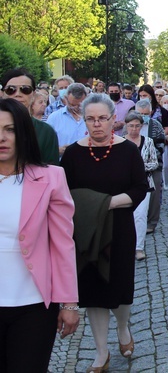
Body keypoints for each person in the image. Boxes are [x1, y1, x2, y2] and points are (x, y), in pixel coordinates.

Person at [61, 93, 148, 372]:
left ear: (114, 120)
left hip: (119, 228)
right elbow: (63, 194)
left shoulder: (127, 150)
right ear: (84, 120)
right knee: (93, 291)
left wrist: (106, 203)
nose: (96, 124)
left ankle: (123, 328)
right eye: (91, 119)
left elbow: (139, 189)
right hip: (86, 232)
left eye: (102, 118)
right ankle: (101, 353)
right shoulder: (74, 153)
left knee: (119, 289)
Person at [0, 98, 79, 372]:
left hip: (33, 305)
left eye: (10, 129)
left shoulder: (51, 178)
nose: (2, 138)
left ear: (23, 133)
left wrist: (69, 303)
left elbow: (62, 244)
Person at [0, 68, 60, 165]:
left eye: (25, 89)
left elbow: (51, 172)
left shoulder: (46, 132)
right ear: (2, 93)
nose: (18, 94)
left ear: (33, 94)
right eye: (11, 90)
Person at [123, 112, 158, 261]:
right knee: (126, 216)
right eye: (131, 126)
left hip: (144, 183)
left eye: (137, 126)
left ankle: (139, 247)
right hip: (124, 185)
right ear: (126, 126)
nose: (134, 129)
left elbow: (154, 162)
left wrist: (137, 168)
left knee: (140, 215)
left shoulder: (148, 141)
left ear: (141, 126)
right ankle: (125, 246)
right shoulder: (120, 142)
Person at [134, 100, 165, 235]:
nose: (143, 116)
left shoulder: (156, 125)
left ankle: (152, 222)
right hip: (134, 166)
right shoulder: (131, 125)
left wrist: (148, 158)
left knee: (154, 195)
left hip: (153, 165)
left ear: (151, 112)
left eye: (146, 114)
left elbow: (161, 146)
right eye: (140, 113)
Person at [46, 82, 88, 159]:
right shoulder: (54, 118)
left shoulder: (93, 117)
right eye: (72, 105)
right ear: (65, 98)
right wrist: (57, 151)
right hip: (63, 165)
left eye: (80, 105)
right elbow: (46, 147)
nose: (76, 108)